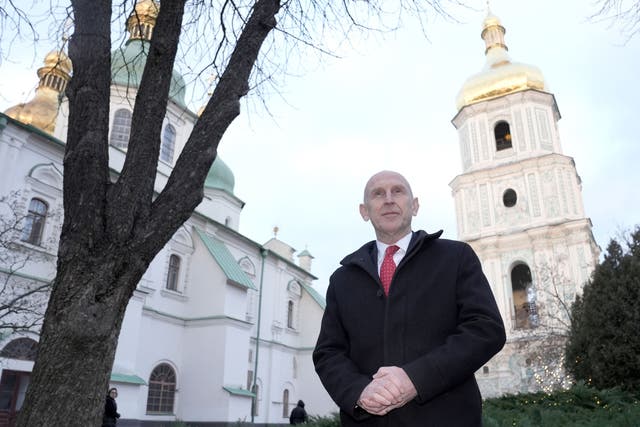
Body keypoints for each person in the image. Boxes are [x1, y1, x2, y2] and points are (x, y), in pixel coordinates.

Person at [313, 170, 506, 426]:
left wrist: (415, 379)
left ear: (414, 206)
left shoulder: (455, 258)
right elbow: (328, 353)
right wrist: (359, 391)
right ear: (364, 211)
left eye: (398, 191)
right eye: (378, 194)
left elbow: (485, 330)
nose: (389, 199)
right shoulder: (342, 279)